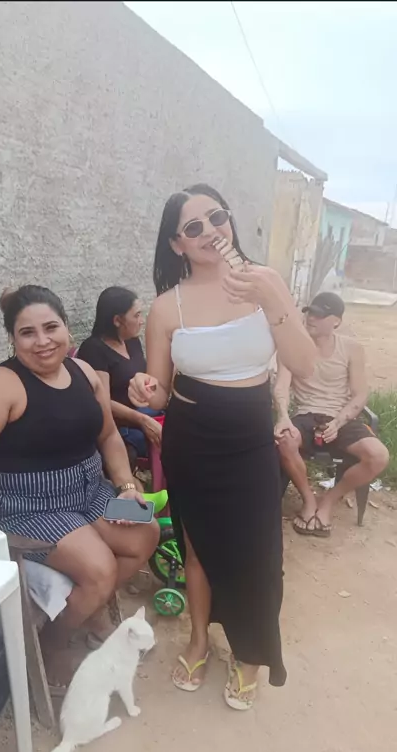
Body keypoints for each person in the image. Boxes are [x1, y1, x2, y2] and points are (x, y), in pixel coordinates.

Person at [128, 183, 316, 709]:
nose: (210, 231)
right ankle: (197, 641)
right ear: (177, 244)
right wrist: (142, 389)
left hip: (251, 439)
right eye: (193, 227)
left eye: (217, 217)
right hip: (191, 440)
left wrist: (273, 299)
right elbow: (159, 388)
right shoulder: (166, 307)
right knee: (198, 550)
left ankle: (250, 653)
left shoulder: (266, 282)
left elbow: (303, 365)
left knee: (257, 552)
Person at [0, 285, 159, 687]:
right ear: (13, 339)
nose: (42, 341)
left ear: (66, 327)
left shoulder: (83, 373)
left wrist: (126, 485)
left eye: (51, 327)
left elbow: (108, 436)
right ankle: (52, 643)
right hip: (21, 505)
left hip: (86, 491)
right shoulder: (2, 385)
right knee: (98, 569)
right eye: (27, 332)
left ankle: (88, 610)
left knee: (145, 534)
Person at [274, 291, 389, 537]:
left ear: (336, 321)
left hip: (342, 417)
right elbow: (281, 387)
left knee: (378, 456)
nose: (311, 318)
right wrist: (283, 416)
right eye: (310, 313)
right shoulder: (292, 347)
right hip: (307, 415)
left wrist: (338, 421)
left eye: (319, 315)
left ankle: (328, 501)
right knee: (285, 440)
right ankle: (309, 501)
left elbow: (360, 394)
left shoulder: (351, 348)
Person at [78, 286, 162, 470]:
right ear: (117, 320)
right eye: (136, 315)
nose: (141, 321)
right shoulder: (94, 350)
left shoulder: (132, 341)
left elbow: (148, 378)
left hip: (147, 412)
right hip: (121, 426)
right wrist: (141, 420)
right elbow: (103, 402)